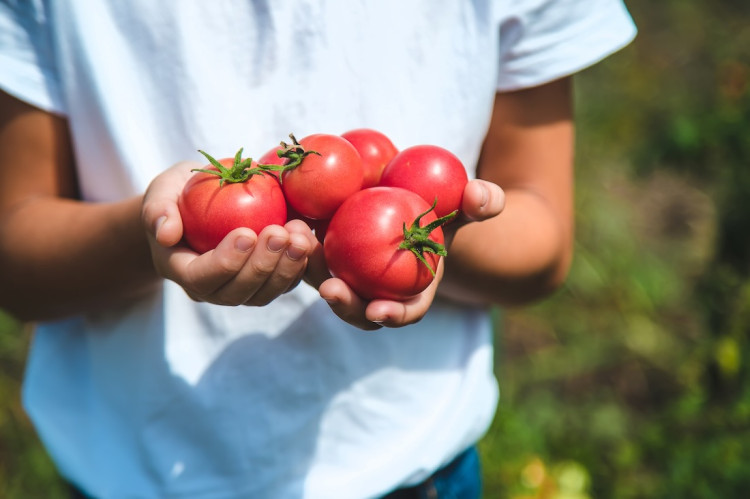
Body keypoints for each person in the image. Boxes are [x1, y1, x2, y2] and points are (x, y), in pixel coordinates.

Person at [0, 1, 636, 498]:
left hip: (410, 470)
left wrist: (436, 238)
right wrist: (149, 238)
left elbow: (543, 246)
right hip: (130, 474)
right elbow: (15, 265)